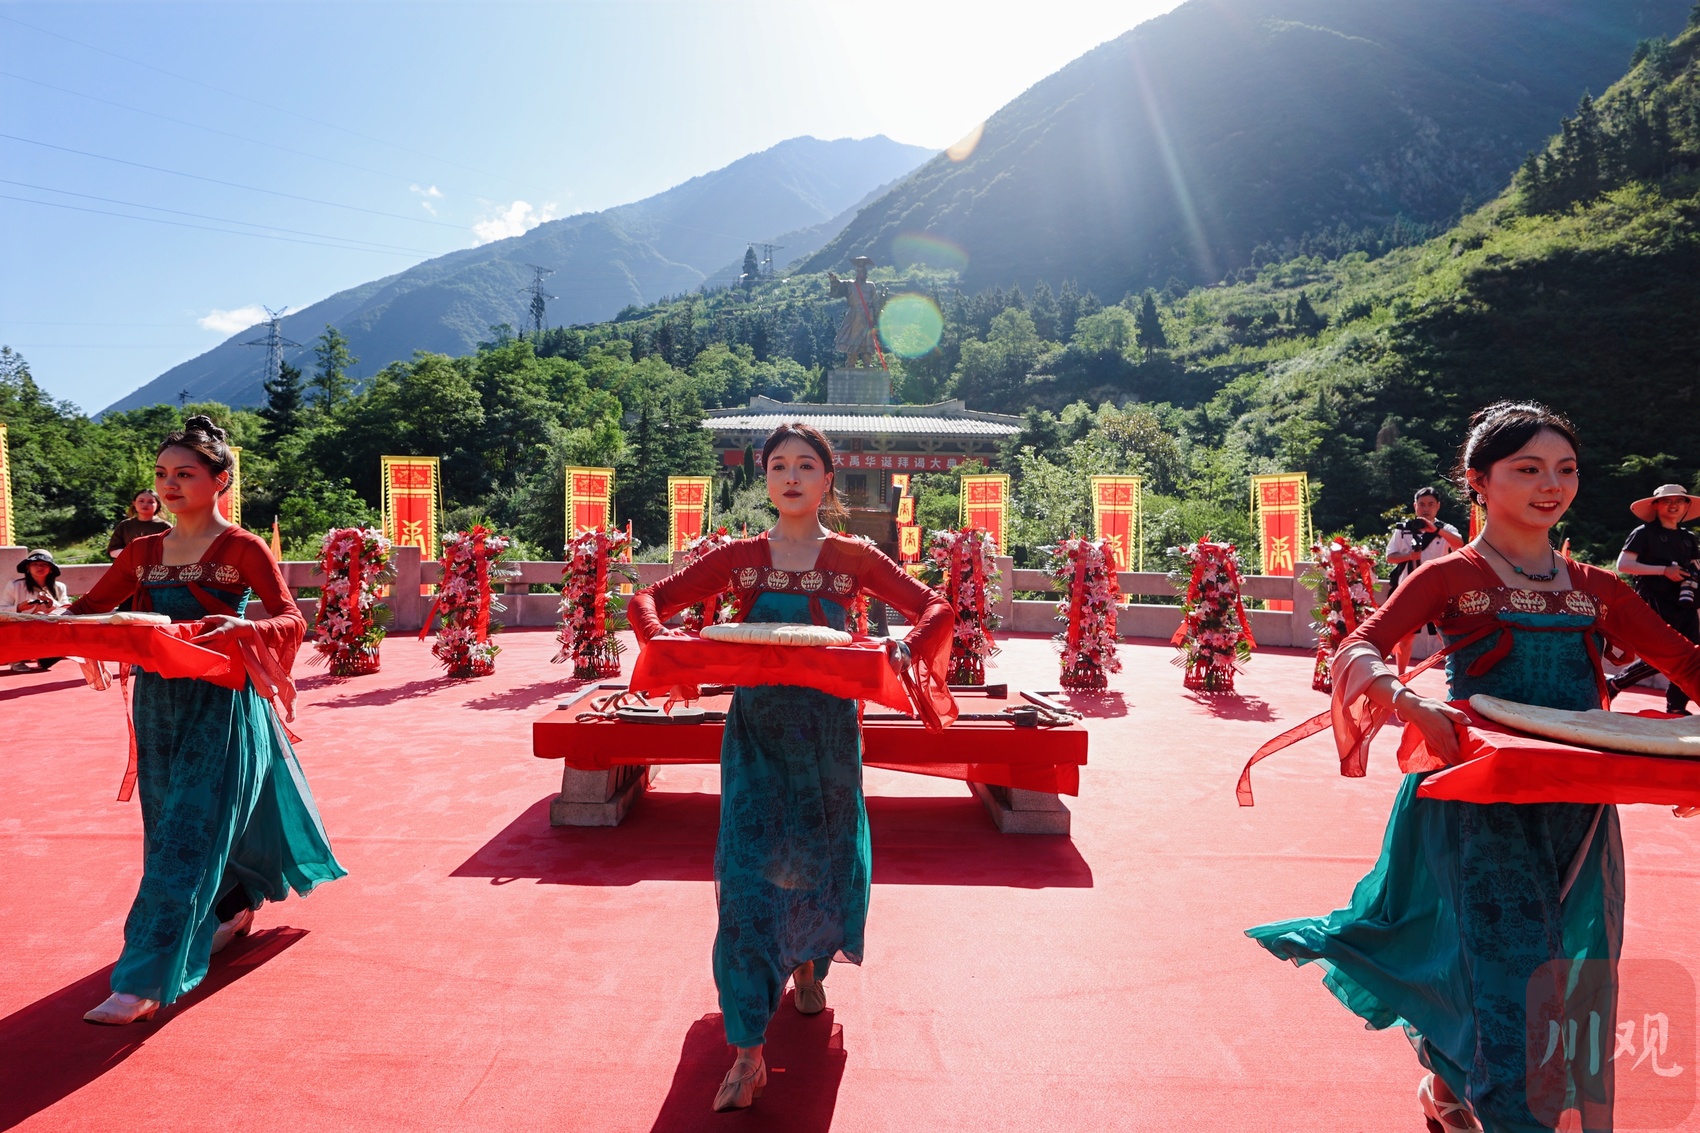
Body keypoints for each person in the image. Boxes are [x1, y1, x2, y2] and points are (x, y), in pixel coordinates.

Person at [1246, 402, 1700, 1132]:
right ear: (1478, 480)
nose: (1551, 485)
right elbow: (1357, 647)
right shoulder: (1452, 576)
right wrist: (1404, 699)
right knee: (1512, 970)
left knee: (1568, 967)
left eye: (1565, 470)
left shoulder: (1596, 587)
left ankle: (1448, 1087)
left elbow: (1684, 662)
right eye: (1528, 469)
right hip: (1478, 799)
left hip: (1578, 808)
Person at [628, 422, 954, 1113]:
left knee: (819, 859)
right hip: (757, 736)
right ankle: (747, 1049)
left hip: (828, 738)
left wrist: (905, 649)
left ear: (828, 480)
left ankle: (808, 966)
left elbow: (934, 606)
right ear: (766, 479)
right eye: (779, 465)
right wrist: (665, 644)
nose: (792, 476)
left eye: (807, 465)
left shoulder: (854, 557)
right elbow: (647, 600)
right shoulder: (741, 557)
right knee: (748, 875)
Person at [67, 415, 346, 1025]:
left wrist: (245, 627)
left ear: (220, 480)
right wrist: (39, 622)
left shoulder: (242, 548)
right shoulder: (142, 552)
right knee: (168, 829)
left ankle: (142, 979)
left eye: (185, 473)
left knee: (187, 834)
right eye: (162, 473)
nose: (168, 484)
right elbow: (88, 610)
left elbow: (291, 618)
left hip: (222, 705)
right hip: (157, 709)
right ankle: (232, 903)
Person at [1608, 483, 1700, 714]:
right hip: (1655, 599)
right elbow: (1624, 565)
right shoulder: (1644, 533)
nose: (1673, 505)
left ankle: (1676, 706)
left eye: (1678, 501)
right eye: (1667, 501)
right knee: (1664, 652)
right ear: (1656, 505)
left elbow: (1695, 566)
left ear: (1686, 505)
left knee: (1692, 654)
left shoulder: (1689, 538)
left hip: (1685, 601)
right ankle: (1616, 684)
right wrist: (1664, 571)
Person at [1383, 486, 1464, 673]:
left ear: (1438, 506)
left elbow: (1459, 544)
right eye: (1421, 504)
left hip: (1438, 590)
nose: (1426, 508)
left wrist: (1436, 530)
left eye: (1430, 504)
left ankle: (1455, 676)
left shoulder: (1445, 529)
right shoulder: (1403, 530)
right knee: (1406, 636)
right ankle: (1401, 676)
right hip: (1409, 588)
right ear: (1415, 506)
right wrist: (1409, 556)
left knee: (1445, 635)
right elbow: (1390, 556)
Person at [2, 549, 71, 672]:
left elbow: (68, 610)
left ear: (51, 568)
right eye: (35, 564)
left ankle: (47, 657)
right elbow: (1, 609)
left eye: (44, 564)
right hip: (21, 626)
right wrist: (19, 608)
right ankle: (16, 659)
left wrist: (52, 604)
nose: (40, 567)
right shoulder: (15, 585)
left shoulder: (60, 587)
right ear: (28, 567)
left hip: (48, 626)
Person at [107, 489, 172, 558]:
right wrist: (132, 554)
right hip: (129, 564)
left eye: (150, 502)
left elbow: (173, 551)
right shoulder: (124, 525)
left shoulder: (166, 527)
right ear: (134, 503)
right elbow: (113, 550)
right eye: (141, 501)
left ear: (158, 505)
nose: (145, 504)